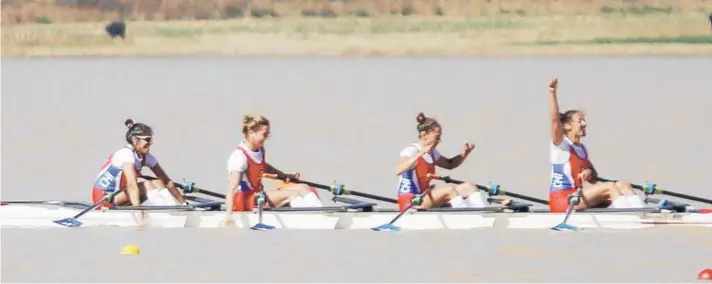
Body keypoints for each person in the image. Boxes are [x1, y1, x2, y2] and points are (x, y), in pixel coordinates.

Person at [547, 78, 646, 212]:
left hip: (576, 198)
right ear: (567, 126)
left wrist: (589, 173)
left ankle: (643, 213)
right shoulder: (561, 146)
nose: (584, 124)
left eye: (584, 120)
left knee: (623, 185)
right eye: (580, 120)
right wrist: (552, 93)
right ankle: (629, 216)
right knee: (609, 187)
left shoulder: (582, 149)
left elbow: (594, 179)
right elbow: (554, 121)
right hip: (562, 201)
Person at [224, 115, 323, 225]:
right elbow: (232, 187)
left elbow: (264, 166)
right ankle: (315, 219)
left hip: (256, 195)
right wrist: (229, 216)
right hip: (243, 201)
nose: (267, 137)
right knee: (292, 194)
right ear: (252, 133)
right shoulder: (239, 157)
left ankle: (322, 215)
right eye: (264, 134)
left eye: (268, 134)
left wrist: (284, 175)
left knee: (303, 187)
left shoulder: (258, 150)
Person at [395, 112, 485, 211]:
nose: (439, 141)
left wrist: (464, 154)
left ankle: (482, 213)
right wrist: (419, 154)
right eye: (437, 137)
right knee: (449, 190)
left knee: (470, 186)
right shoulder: (411, 150)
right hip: (411, 201)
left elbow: (450, 164)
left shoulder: (433, 153)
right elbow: (399, 170)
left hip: (425, 197)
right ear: (424, 135)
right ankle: (463, 215)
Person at [92, 119, 187, 209]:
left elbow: (167, 182)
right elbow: (132, 185)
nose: (151, 142)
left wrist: (184, 203)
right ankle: (167, 212)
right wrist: (140, 217)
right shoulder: (126, 154)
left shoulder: (146, 156)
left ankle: (174, 209)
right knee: (148, 185)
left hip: (119, 194)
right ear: (135, 140)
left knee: (159, 182)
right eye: (148, 139)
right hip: (103, 198)